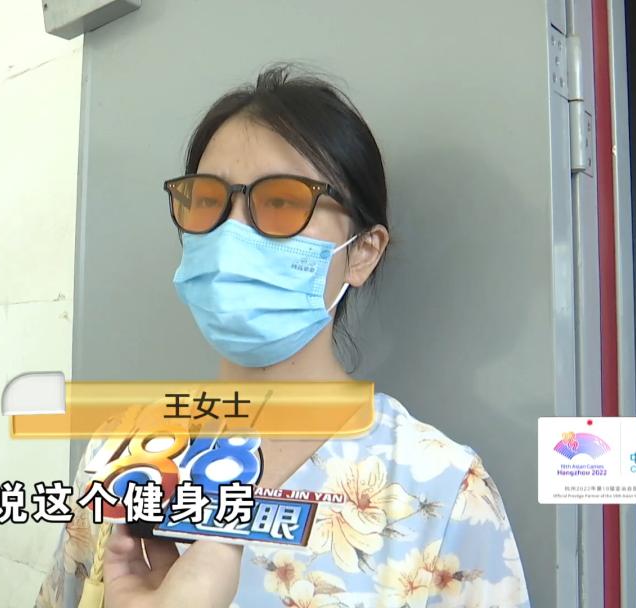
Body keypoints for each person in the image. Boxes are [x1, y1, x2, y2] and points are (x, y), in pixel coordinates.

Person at [36, 65, 531, 608]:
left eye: (282, 202)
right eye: (207, 200)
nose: (231, 232)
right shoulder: (120, 453)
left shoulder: (443, 491)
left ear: (362, 253)